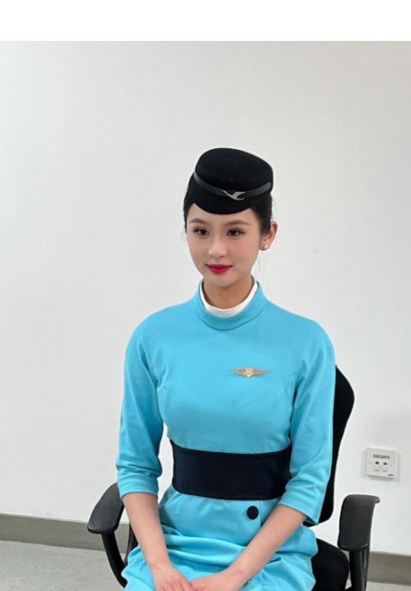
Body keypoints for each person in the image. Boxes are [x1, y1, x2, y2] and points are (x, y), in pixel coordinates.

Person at [115, 147, 336, 591]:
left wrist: (235, 576)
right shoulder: (153, 337)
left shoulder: (306, 343)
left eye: (235, 231)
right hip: (175, 546)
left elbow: (310, 480)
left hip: (268, 553)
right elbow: (136, 465)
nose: (216, 249)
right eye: (200, 231)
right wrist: (159, 567)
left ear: (267, 235)